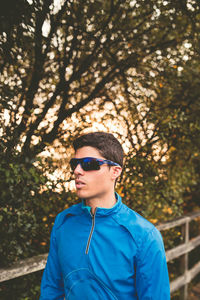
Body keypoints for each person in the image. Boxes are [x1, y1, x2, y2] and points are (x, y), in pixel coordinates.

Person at [40, 131, 170, 299]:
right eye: (75, 164)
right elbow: (51, 289)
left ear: (115, 171)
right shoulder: (64, 222)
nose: (78, 171)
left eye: (88, 164)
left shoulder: (144, 235)